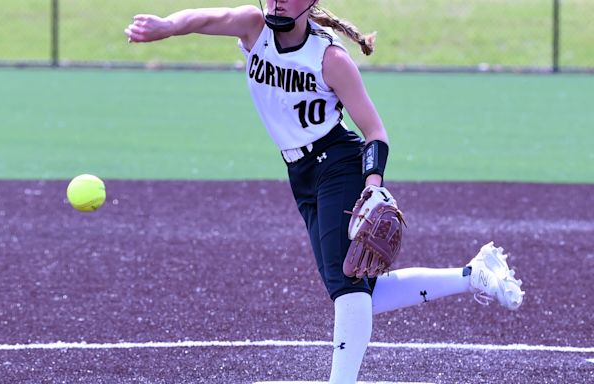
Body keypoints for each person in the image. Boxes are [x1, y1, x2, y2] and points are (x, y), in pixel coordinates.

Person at [124, 2, 525, 383]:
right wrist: (166, 27)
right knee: (359, 289)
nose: (279, 2)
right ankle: (474, 275)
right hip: (301, 174)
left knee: (347, 288)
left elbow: (375, 132)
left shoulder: (329, 58)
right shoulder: (254, 27)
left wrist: (372, 187)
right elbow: (206, 17)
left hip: (338, 164)